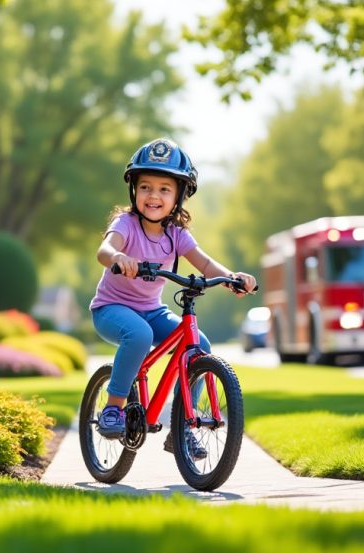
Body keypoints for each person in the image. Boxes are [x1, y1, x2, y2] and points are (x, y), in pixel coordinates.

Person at [89, 138, 257, 459]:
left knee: (200, 346)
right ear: (134, 191)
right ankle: (113, 408)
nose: (154, 196)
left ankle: (181, 427)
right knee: (139, 335)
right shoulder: (126, 224)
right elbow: (105, 249)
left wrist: (232, 278)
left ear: (179, 196)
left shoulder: (176, 234)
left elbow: (205, 263)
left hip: (151, 310)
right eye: (146, 187)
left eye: (165, 189)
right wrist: (118, 258)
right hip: (111, 309)